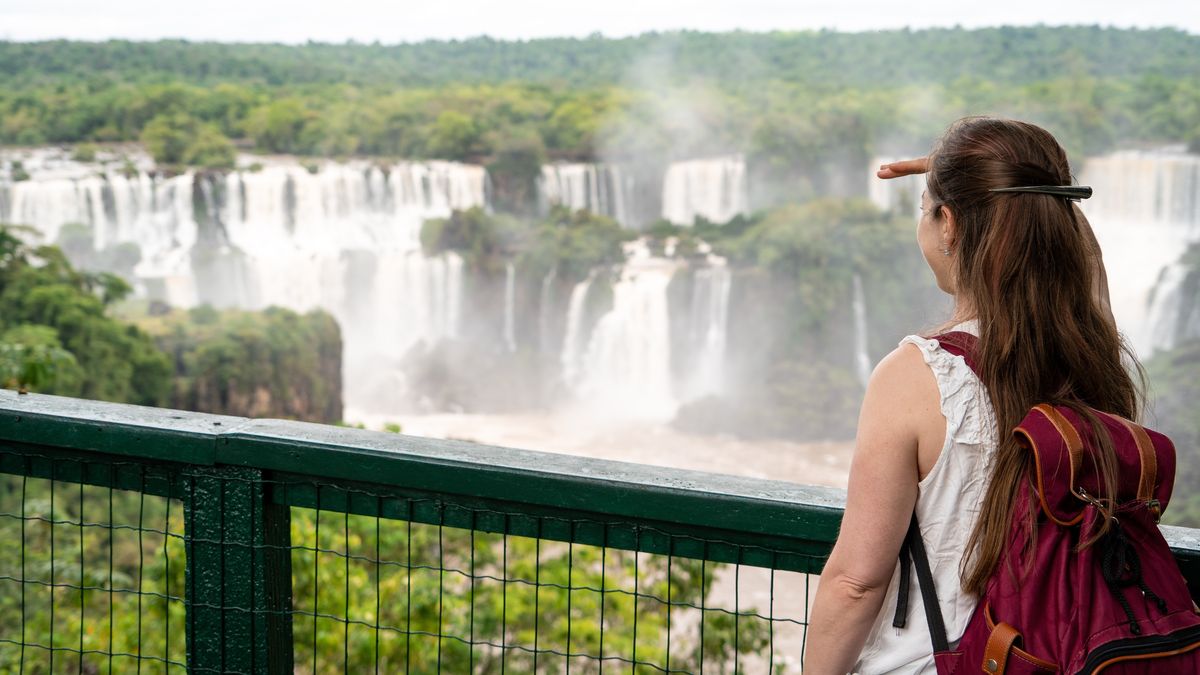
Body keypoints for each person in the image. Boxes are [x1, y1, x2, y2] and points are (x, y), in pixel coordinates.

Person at [804, 117, 1138, 674]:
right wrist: (1006, 187)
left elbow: (856, 582)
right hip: (1065, 657)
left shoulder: (916, 375)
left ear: (949, 225)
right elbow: (1073, 251)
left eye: (925, 209)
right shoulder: (1092, 358)